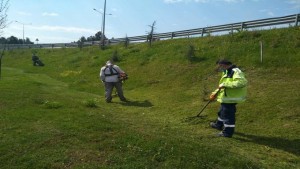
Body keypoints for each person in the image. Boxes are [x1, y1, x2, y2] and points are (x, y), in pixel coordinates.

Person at [209, 59, 247, 138]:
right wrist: (214, 93)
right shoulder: (226, 71)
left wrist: (226, 84)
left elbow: (241, 82)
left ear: (224, 65)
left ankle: (227, 133)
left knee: (228, 115)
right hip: (226, 98)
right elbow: (221, 86)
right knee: (221, 111)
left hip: (231, 98)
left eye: (220, 65)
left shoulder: (236, 71)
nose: (219, 67)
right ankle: (219, 125)